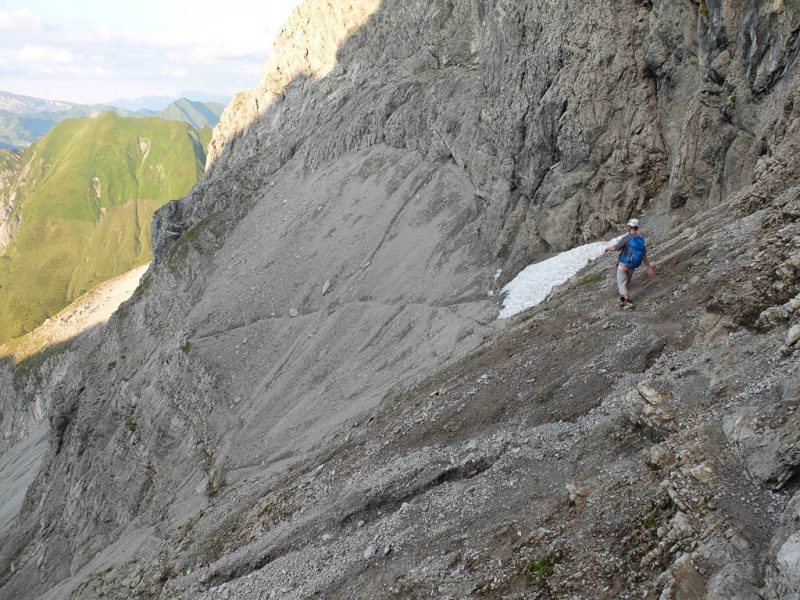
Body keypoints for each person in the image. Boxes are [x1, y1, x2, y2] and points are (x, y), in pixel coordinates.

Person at [604, 218, 653, 309]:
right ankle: (622, 300)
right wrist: (648, 267)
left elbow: (615, 248)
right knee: (626, 282)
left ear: (629, 227)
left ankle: (629, 302)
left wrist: (607, 249)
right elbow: (644, 255)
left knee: (621, 283)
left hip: (623, 264)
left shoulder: (626, 238)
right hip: (632, 266)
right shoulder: (640, 240)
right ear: (637, 228)